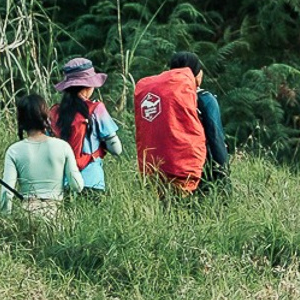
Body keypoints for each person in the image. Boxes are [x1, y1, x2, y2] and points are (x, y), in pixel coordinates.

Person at [133, 51, 230, 194]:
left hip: (158, 172)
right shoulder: (205, 99)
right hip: (197, 172)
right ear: (197, 74)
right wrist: (224, 175)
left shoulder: (157, 96)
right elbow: (216, 139)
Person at [49, 56, 123, 193]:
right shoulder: (96, 109)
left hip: (61, 184)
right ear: (89, 86)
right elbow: (116, 149)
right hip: (92, 182)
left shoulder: (55, 113)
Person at [1, 92, 84, 214]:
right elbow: (77, 185)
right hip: (56, 214)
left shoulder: (14, 150)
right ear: (45, 116)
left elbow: (6, 192)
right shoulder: (62, 146)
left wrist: (6, 217)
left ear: (21, 119)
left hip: (27, 215)